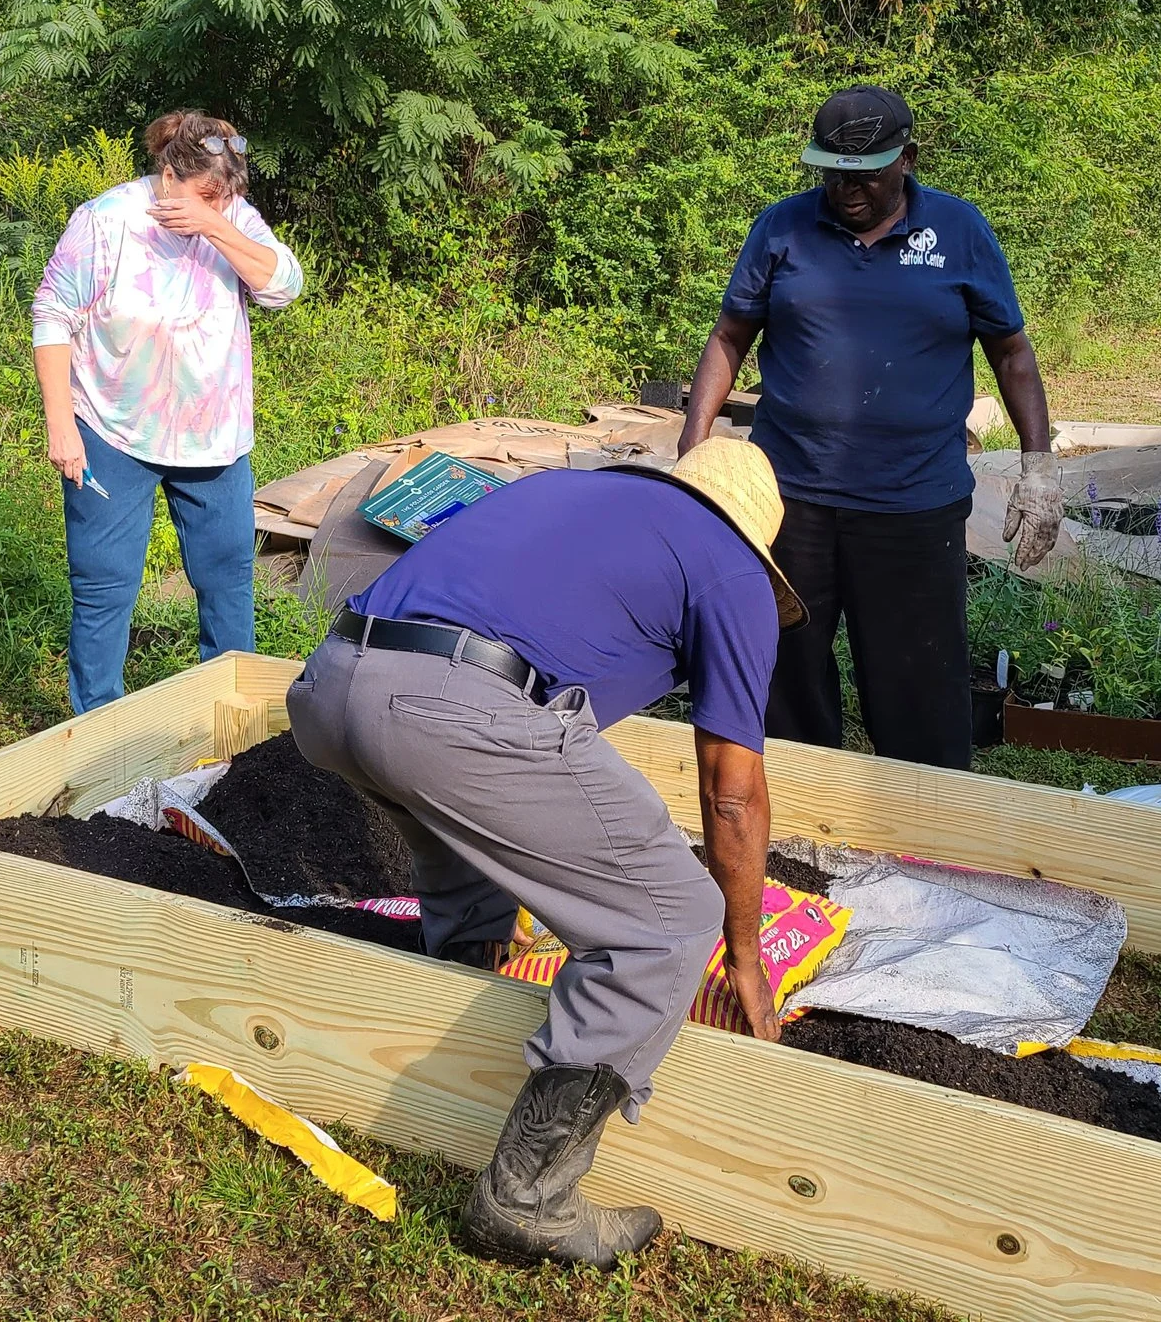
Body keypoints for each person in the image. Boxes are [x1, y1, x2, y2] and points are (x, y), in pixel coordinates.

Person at [285, 438, 805, 1269]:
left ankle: (467, 994)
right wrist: (742, 950)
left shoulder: (577, 492)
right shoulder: (733, 571)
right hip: (443, 708)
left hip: (332, 681)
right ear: (757, 542)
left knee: (467, 836)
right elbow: (733, 794)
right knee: (674, 915)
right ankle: (527, 1196)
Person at [679, 85, 1059, 764]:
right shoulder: (782, 229)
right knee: (783, 673)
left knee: (919, 687)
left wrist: (1038, 469)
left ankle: (927, 837)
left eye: (866, 174)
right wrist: (693, 447)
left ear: (908, 158)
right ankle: (794, 819)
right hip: (790, 501)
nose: (847, 188)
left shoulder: (960, 233)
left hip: (913, 506)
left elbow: (1011, 351)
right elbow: (730, 335)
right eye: (833, 171)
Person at [31, 112, 303, 713]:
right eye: (206, 193)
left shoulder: (231, 218)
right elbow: (53, 315)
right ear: (168, 172)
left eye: (228, 193)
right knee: (104, 588)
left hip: (213, 438)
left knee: (227, 580)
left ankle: (237, 723)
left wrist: (215, 223)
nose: (219, 202)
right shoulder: (105, 222)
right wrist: (60, 424)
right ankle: (98, 731)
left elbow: (283, 285)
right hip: (111, 430)